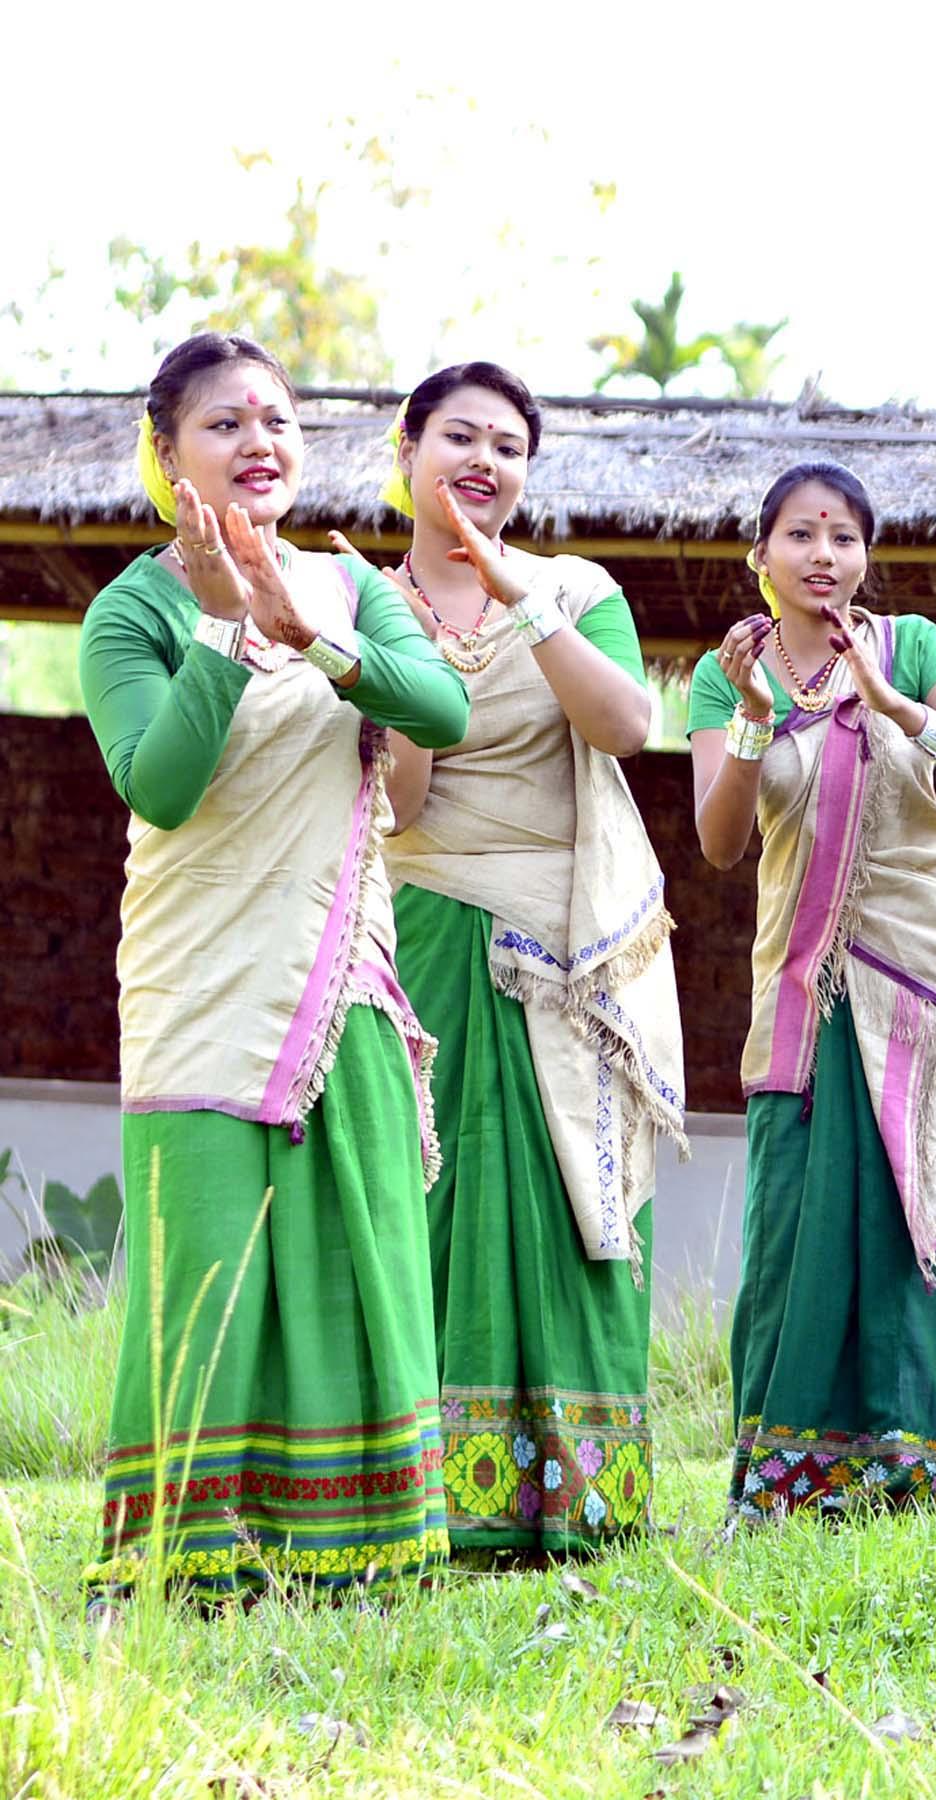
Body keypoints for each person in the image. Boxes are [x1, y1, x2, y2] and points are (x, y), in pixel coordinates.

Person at [79, 332, 469, 1596]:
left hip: (337, 968)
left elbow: (440, 714)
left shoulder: (353, 588)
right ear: (167, 451)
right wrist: (230, 634)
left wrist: (312, 628)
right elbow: (164, 783)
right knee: (206, 1255)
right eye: (223, 424)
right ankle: (193, 1560)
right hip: (199, 972)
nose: (258, 444)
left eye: (278, 423)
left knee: (357, 1241)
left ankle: (365, 1546)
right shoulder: (130, 610)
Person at [376, 361, 681, 1561]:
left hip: (567, 945)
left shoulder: (573, 587)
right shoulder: (356, 602)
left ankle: (581, 1495)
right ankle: (427, 1497)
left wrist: (523, 600)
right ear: (407, 450)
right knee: (427, 1196)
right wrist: (379, 654)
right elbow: (394, 801)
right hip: (428, 934)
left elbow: (625, 727)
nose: (483, 462)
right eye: (460, 436)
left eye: (508, 446)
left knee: (571, 1203)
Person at [688, 461, 936, 1522]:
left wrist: (893, 705)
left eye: (841, 536)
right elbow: (720, 841)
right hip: (801, 987)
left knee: (915, 1203)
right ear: (762, 554)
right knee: (798, 1225)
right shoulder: (723, 670)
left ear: (865, 555)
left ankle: (909, 1478)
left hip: (921, 970)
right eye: (799, 534)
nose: (822, 555)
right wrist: (749, 717)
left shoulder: (908, 645)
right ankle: (790, 1480)